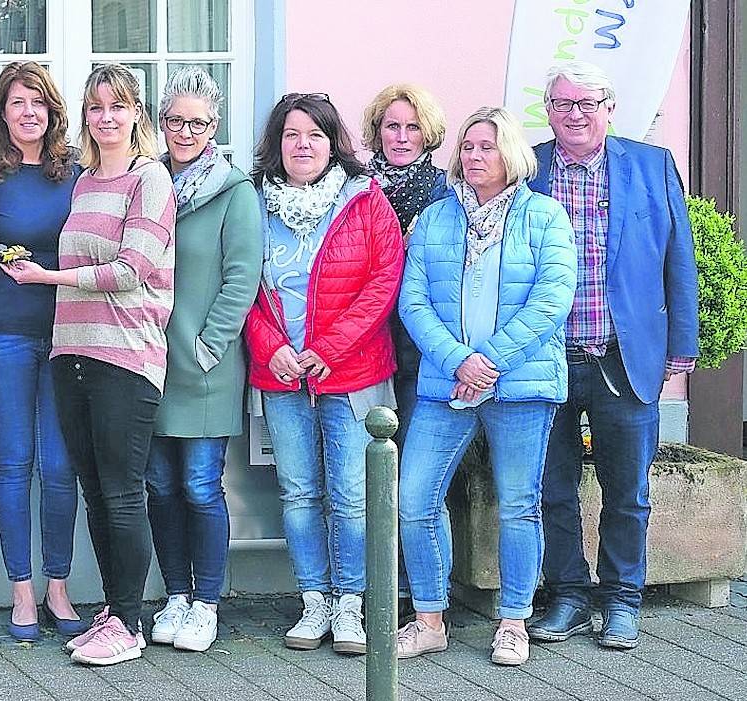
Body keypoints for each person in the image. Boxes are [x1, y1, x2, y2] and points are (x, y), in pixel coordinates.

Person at [4, 63, 176, 666]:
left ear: (136, 115)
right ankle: (115, 609)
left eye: (117, 106)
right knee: (97, 491)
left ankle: (129, 622)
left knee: (123, 492)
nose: (106, 118)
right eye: (96, 107)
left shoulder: (150, 179)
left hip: (125, 355)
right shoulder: (82, 182)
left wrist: (48, 277)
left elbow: (133, 270)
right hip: (72, 350)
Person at [393, 107, 576, 668]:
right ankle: (429, 620)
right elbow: (412, 300)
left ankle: (514, 622)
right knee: (414, 499)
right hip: (445, 384)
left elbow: (551, 299)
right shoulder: (434, 219)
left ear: (511, 153)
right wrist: (458, 361)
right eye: (467, 146)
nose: (473, 156)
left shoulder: (545, 217)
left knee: (519, 505)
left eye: (486, 146)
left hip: (520, 385)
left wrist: (488, 361)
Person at [526, 61, 698, 651]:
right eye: (562, 103)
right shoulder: (528, 168)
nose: (574, 114)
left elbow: (678, 257)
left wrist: (682, 344)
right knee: (551, 489)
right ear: (548, 109)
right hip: (545, 359)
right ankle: (568, 596)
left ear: (610, 108)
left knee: (627, 491)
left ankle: (622, 599)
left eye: (586, 103)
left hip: (623, 358)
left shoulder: (652, 166)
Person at [243, 92, 403, 656]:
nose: (303, 145)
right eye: (291, 135)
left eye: (315, 135)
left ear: (334, 143)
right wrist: (271, 347)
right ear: (276, 143)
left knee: (352, 494)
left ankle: (350, 605)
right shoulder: (252, 203)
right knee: (299, 493)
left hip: (353, 371)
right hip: (282, 372)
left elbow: (384, 283)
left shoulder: (365, 200)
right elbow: (241, 284)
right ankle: (313, 600)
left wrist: (329, 348)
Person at [0, 61, 88, 643]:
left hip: (69, 332)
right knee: (14, 461)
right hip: (0, 332)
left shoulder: (77, 172)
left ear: (53, 109)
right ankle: (20, 592)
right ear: (1, 113)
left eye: (38, 101)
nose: (29, 112)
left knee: (60, 465)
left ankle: (58, 586)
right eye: (17, 102)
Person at [144, 66, 261, 654]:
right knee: (159, 485)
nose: (185, 132)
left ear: (214, 127)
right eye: (175, 121)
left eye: (197, 122)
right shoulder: (147, 182)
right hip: (147, 359)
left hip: (204, 364)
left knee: (198, 486)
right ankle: (175, 596)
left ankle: (207, 604)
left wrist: (209, 346)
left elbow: (242, 278)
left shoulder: (235, 192)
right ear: (161, 123)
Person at [360, 84, 451, 429]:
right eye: (392, 126)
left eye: (413, 127)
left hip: (419, 340)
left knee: (412, 442)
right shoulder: (354, 187)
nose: (401, 138)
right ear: (378, 131)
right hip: (364, 334)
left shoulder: (446, 191)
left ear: (427, 134)